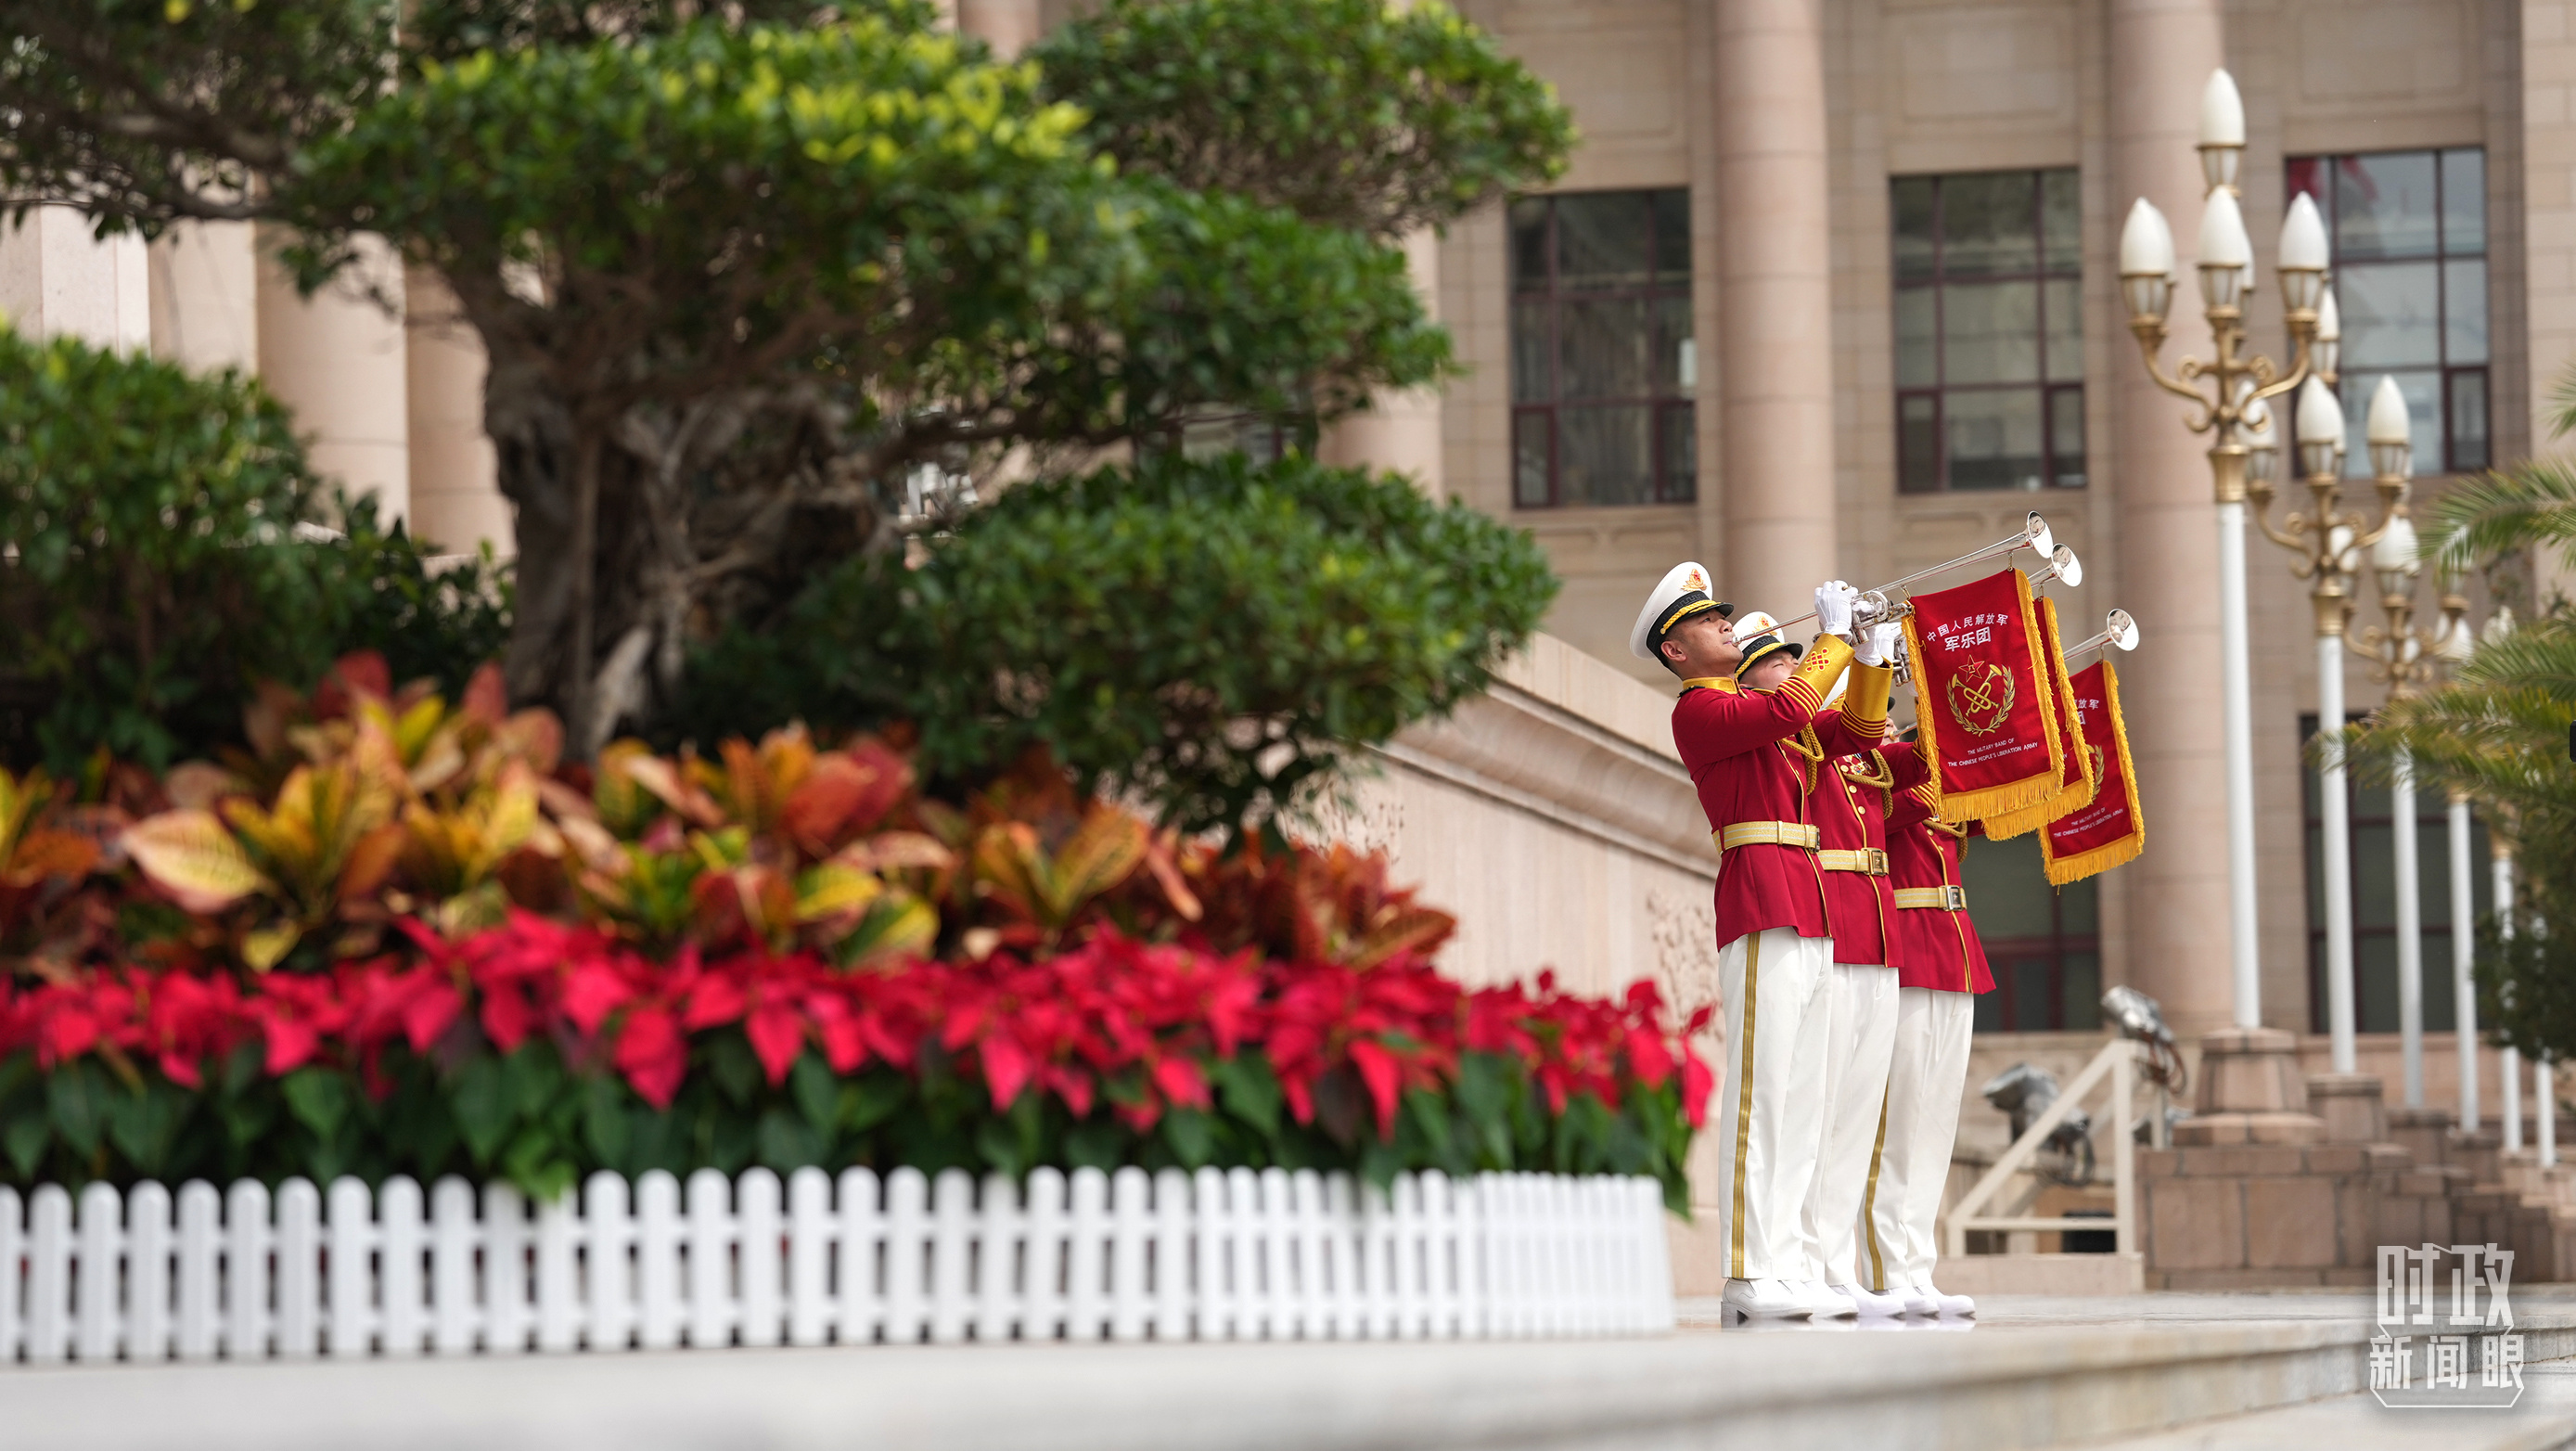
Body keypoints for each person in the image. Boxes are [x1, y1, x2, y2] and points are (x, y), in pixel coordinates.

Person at [1630, 564, 1899, 1323]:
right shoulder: (1698, 711)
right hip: (1760, 897)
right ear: (1675, 653)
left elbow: (1856, 734)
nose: (1724, 622)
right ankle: (1748, 1272)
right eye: (1705, 622)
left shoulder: (1759, 712)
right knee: (1762, 1094)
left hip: (1806, 904)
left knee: (1803, 1101)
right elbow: (1792, 707)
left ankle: (1788, 1268)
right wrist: (1831, 641)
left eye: (1722, 615)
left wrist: (1870, 660)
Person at [1859, 733, 1990, 1318]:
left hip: (1953, 945)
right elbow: (1897, 807)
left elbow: (1991, 807)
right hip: (1907, 942)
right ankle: (1887, 1272)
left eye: (1893, 716)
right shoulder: (1865, 771)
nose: (1885, 727)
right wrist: (1945, 754)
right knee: (1898, 1122)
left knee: (1934, 1123)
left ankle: (1918, 1267)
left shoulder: (1921, 773)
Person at [1797, 674, 1907, 1318]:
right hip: (1833, 932)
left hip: (1877, 937)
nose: (1881, 720)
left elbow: (1922, 770)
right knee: (1822, 1108)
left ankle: (1838, 1269)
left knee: (1856, 1118)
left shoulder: (1862, 765)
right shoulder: (1806, 746)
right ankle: (1812, 1264)